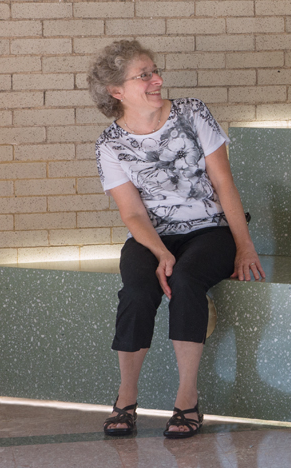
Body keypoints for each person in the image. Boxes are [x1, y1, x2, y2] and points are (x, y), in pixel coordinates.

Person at [89, 40, 265, 438]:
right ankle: (126, 397)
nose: (158, 80)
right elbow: (132, 212)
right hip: (154, 236)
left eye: (155, 71)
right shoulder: (109, 145)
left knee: (186, 282)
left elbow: (223, 183)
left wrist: (245, 245)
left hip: (210, 230)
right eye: (145, 75)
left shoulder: (192, 112)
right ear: (117, 91)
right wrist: (159, 251)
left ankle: (187, 400)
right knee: (136, 289)